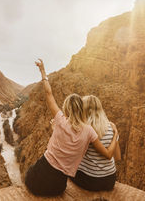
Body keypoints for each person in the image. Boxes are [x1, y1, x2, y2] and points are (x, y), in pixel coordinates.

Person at [25, 59, 119, 197]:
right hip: (58, 186)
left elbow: (48, 94)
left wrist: (43, 71)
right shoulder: (89, 131)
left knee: (29, 174)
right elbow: (106, 153)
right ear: (82, 109)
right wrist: (115, 133)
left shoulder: (60, 121)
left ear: (66, 108)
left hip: (40, 175)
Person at [70, 95, 121, 191]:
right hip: (110, 180)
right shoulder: (111, 127)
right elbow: (117, 157)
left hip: (91, 180)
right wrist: (116, 135)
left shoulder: (84, 130)